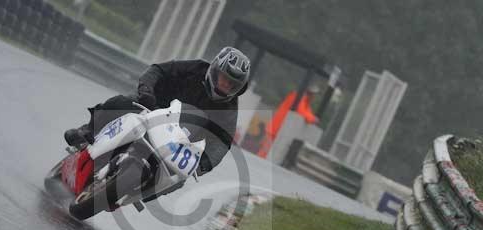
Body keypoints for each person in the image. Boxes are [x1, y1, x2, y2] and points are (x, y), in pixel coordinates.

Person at [64, 46, 251, 176]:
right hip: (154, 104)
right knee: (124, 102)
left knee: (179, 179)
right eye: (223, 78)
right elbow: (158, 70)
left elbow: (222, 141)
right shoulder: (196, 68)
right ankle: (87, 130)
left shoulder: (229, 109)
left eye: (231, 84)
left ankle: (142, 188)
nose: (225, 85)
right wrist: (146, 90)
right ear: (215, 70)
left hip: (179, 137)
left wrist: (205, 163)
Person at [257, 84, 320, 158]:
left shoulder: (305, 102)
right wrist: (312, 119)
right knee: (264, 153)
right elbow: (301, 112)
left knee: (268, 155)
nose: (314, 97)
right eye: (314, 94)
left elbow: (308, 113)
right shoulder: (298, 97)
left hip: (281, 129)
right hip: (276, 128)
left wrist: (313, 118)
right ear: (310, 93)